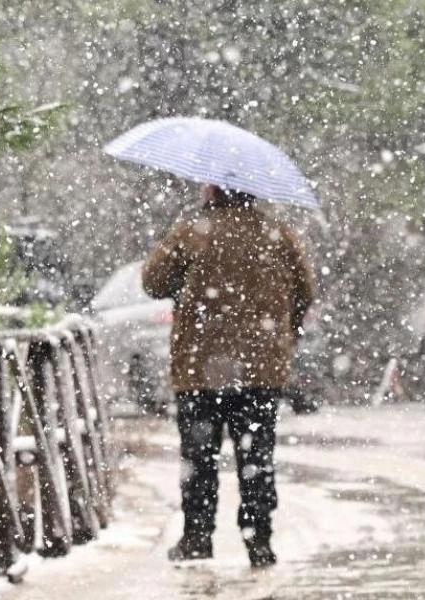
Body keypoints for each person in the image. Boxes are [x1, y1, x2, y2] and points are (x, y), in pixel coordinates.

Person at [142, 183, 316, 568]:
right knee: (256, 457)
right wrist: (283, 334)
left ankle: (198, 537)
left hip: (200, 369)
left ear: (213, 189)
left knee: (199, 458)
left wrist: (188, 280)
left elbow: (152, 283)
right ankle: (259, 541)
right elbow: (306, 290)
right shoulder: (278, 234)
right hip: (261, 370)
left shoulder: (193, 232)